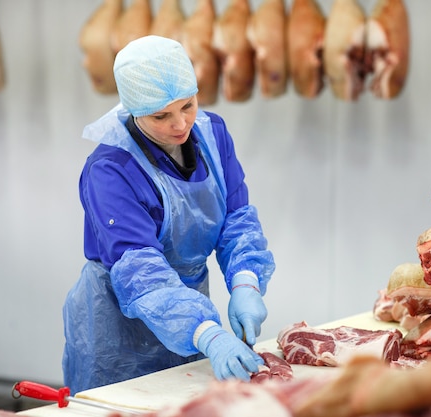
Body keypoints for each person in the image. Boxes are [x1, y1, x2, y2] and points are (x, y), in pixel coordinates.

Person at [62, 35, 275, 394]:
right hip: (119, 329)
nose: (181, 124)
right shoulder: (110, 169)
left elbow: (236, 220)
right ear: (133, 110)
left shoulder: (212, 133)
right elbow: (140, 269)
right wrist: (206, 332)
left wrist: (245, 282)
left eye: (188, 105)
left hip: (189, 312)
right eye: (161, 115)